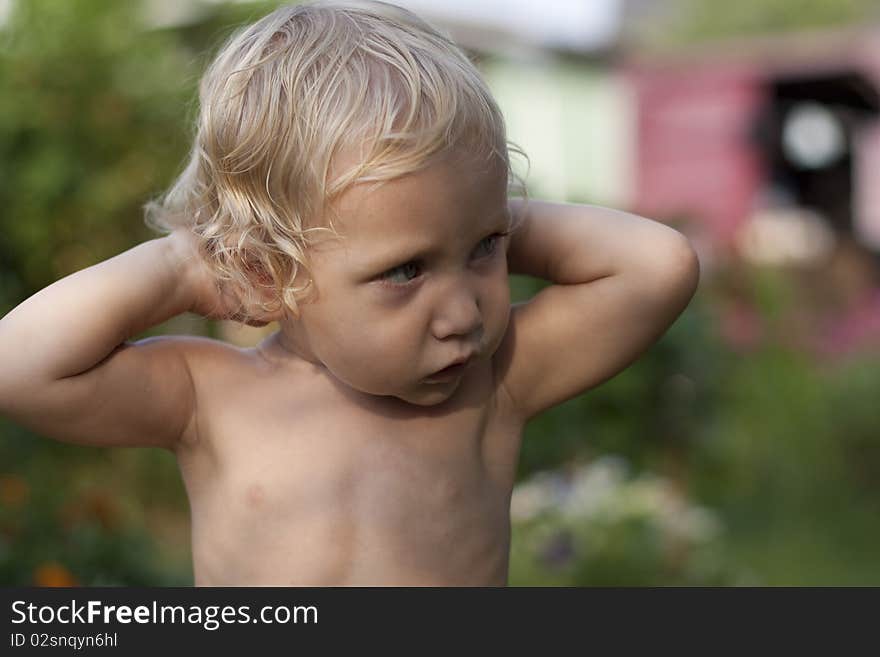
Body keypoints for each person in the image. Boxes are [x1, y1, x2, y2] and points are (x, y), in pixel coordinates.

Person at [0, 0, 699, 586]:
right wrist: (183, 267)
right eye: (407, 270)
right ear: (272, 271)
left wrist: (473, 211)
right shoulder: (209, 397)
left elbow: (658, 265)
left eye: (486, 250)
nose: (464, 314)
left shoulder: (494, 384)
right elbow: (19, 365)